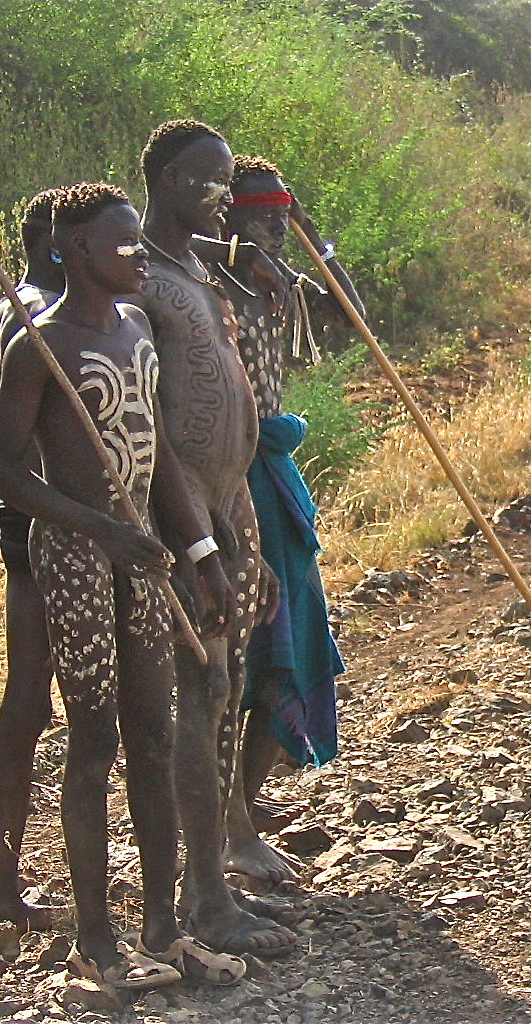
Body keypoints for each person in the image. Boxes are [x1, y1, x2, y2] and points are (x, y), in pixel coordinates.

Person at [0, 181, 245, 987]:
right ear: (76, 252)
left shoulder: (135, 327)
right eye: (123, 244)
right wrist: (100, 531)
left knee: (155, 735)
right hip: (75, 560)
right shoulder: (40, 346)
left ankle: (164, 930)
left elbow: (159, 452)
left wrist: (201, 552)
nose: (139, 255)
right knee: (93, 741)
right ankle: (96, 945)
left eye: (140, 240)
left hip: (142, 557)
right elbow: (3, 473)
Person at [136, 120, 296, 956]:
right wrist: (195, 540)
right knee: (193, 700)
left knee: (223, 691)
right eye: (205, 181)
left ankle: (210, 890)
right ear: (164, 181)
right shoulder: (135, 283)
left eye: (226, 181)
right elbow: (148, 430)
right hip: (175, 525)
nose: (221, 196)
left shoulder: (199, 270)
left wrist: (243, 533)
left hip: (227, 511)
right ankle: (197, 905)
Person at [215, 155, 365, 884]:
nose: (272, 226)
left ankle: (243, 799)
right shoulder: (210, 288)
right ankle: (226, 822)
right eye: (261, 214)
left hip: (272, 468)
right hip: (225, 474)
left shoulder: (283, 285)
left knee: (292, 633)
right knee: (252, 643)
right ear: (226, 216)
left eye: (281, 213)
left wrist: (311, 231)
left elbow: (352, 312)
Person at [0, 188, 65, 931]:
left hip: (26, 521)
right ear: (56, 245)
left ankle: (0, 884)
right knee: (62, 704)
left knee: (27, 700)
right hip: (58, 523)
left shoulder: (0, 318)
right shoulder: (39, 318)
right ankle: (6, 890)